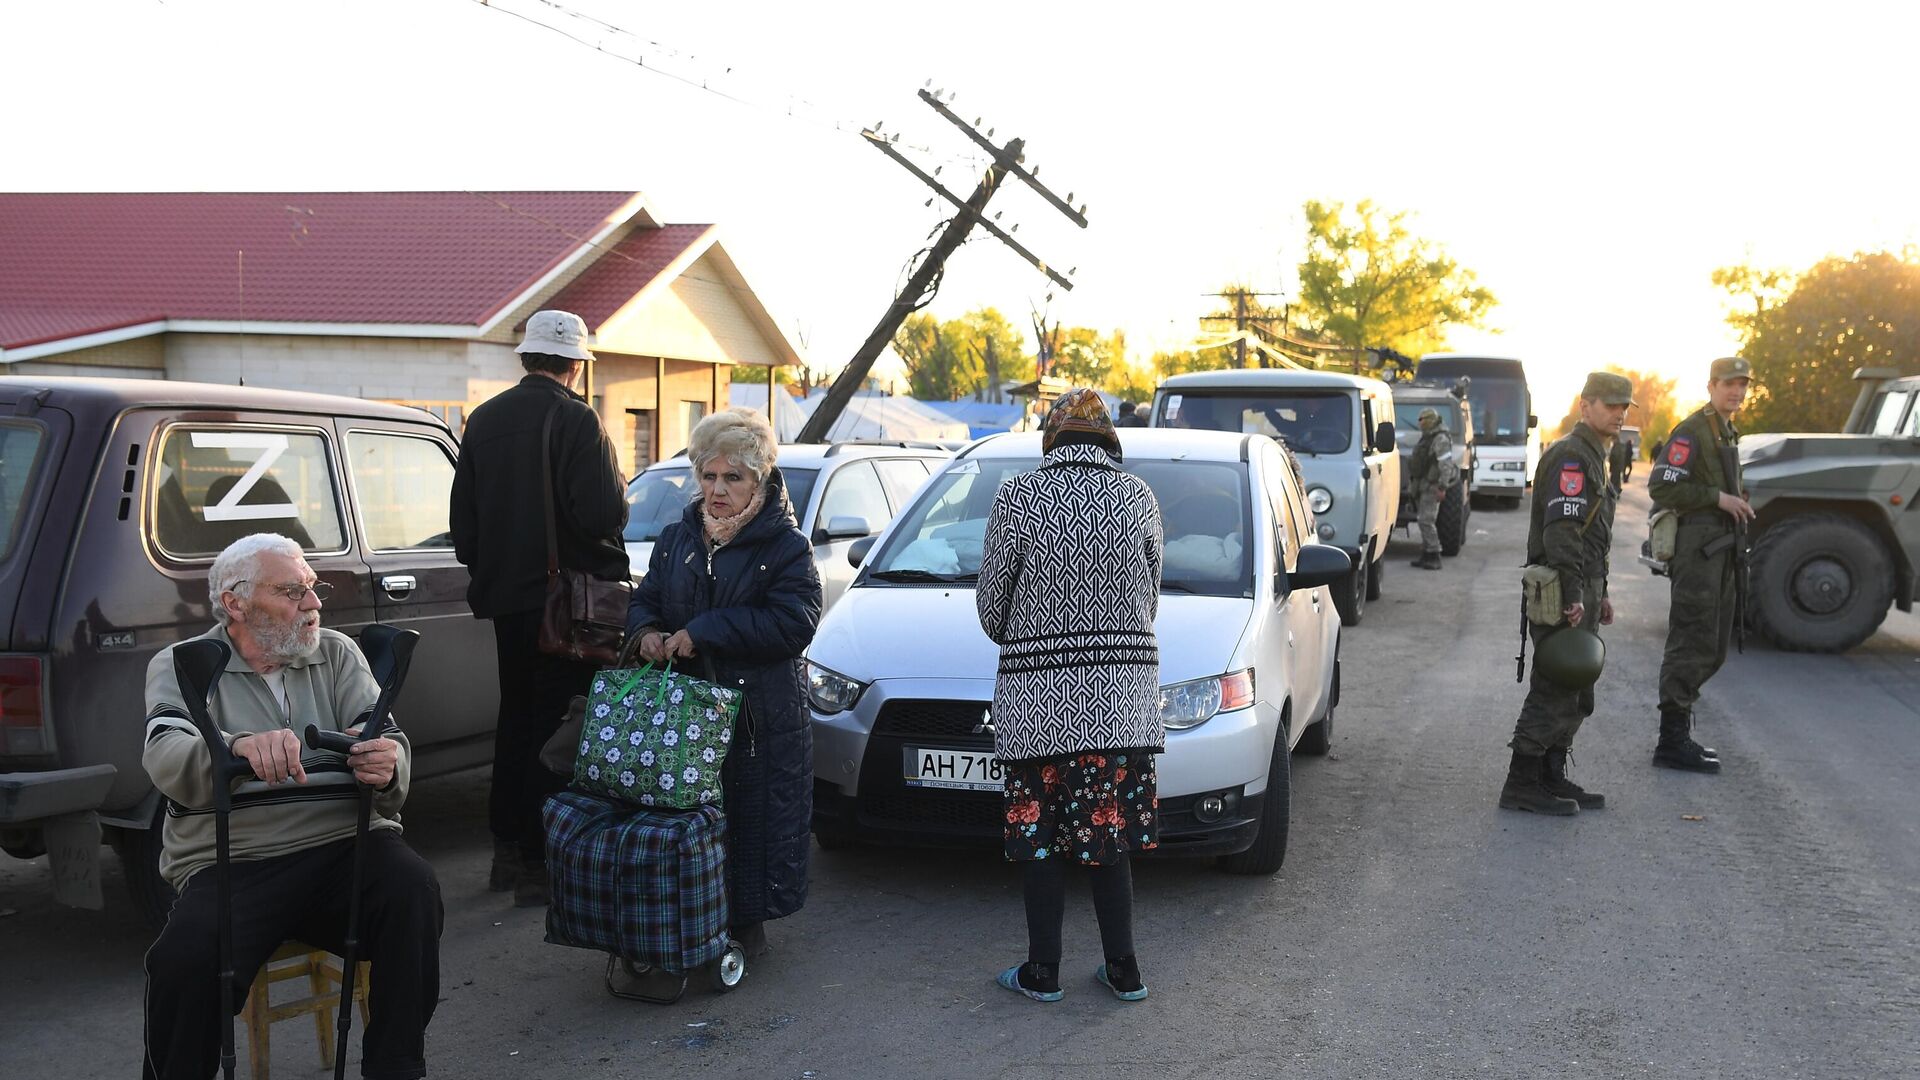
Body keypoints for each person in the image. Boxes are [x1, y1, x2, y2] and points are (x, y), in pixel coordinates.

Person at [142, 534, 442, 1080]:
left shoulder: (335, 652)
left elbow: (389, 738)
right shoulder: (185, 664)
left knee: (412, 890)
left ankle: (396, 1068)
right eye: (292, 591)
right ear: (235, 603)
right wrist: (233, 747)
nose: (314, 604)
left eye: (312, 588)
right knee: (181, 962)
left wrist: (385, 762)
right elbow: (165, 754)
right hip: (237, 858)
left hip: (345, 844)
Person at [976, 387, 1163, 1003]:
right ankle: (1125, 970)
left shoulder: (1019, 496)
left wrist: (1034, 632)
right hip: (1122, 706)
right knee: (1107, 838)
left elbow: (991, 609)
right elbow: (1151, 595)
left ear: (1051, 436)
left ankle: (1043, 973)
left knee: (1041, 838)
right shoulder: (1139, 497)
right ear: (1108, 436)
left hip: (1038, 711)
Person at [626, 408, 823, 958]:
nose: (717, 489)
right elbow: (645, 598)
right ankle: (686, 920)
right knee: (691, 823)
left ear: (758, 480)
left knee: (750, 822)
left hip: (756, 717)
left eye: (733, 477)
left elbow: (794, 623)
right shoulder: (676, 538)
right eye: (708, 476)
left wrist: (706, 631)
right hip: (685, 714)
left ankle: (744, 931)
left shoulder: (786, 547)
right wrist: (644, 630)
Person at [450, 309, 628, 906]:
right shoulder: (578, 421)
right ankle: (540, 863)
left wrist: (499, 574)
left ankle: (506, 854)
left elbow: (463, 529)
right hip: (565, 611)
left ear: (526, 357)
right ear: (577, 364)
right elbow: (604, 516)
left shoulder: (483, 420)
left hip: (508, 604)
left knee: (516, 720)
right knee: (558, 728)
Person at [1498, 372, 1632, 816]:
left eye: (1624, 406)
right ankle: (1522, 782)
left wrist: (1602, 592)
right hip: (1562, 590)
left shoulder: (1597, 455)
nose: (1619, 413)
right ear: (1585, 405)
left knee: (1577, 687)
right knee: (1555, 684)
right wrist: (1576, 594)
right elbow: (1564, 532)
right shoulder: (1572, 457)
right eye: (1610, 405)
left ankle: (1550, 775)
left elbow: (1595, 536)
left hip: (1584, 587)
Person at [1647, 357, 1753, 774]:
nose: (1737, 391)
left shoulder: (1725, 430)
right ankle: (1671, 740)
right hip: (1698, 553)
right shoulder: (1693, 431)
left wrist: (1737, 502)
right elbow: (1661, 484)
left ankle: (1678, 731)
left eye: (1743, 385)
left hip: (1721, 550)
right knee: (1691, 641)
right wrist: (1717, 498)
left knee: (1713, 647)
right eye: (1729, 383)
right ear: (1711, 385)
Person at [1406, 407, 1453, 570]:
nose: (1420, 423)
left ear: (1431, 421)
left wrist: (1442, 486)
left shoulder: (1440, 439)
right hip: (1423, 485)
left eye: (1423, 420)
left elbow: (1446, 465)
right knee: (1423, 520)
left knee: (1426, 521)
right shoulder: (1428, 437)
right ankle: (1426, 554)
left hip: (1432, 486)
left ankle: (1434, 554)